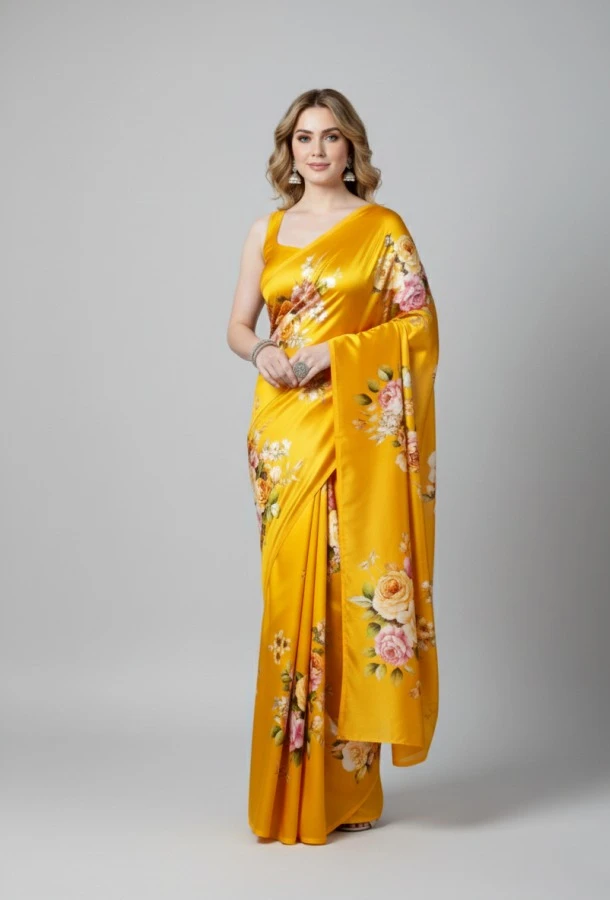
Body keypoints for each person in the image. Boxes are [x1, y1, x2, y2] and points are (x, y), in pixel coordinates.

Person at [226, 88, 440, 845]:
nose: (316, 150)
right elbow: (237, 325)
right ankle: (289, 784)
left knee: (351, 591)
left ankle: (346, 790)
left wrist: (335, 354)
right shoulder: (267, 230)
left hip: (353, 429)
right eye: (303, 138)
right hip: (283, 433)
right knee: (290, 596)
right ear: (288, 149)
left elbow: (419, 325)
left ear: (352, 147)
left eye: (330, 137)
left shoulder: (382, 229)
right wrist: (266, 350)